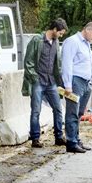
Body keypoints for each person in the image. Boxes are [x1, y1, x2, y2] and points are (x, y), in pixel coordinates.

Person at [22, 18, 68, 148]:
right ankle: (35, 139)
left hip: (51, 82)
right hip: (38, 82)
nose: (61, 35)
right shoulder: (37, 40)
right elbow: (28, 62)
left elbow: (57, 65)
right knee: (36, 110)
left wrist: (61, 82)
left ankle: (59, 137)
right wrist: (35, 78)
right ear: (54, 29)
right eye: (60, 33)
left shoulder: (56, 42)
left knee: (58, 109)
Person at [61, 22, 92, 153]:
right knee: (72, 112)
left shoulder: (86, 44)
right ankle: (71, 142)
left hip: (86, 82)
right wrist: (67, 84)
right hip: (76, 81)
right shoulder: (72, 42)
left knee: (79, 113)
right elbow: (66, 63)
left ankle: (76, 139)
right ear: (87, 30)